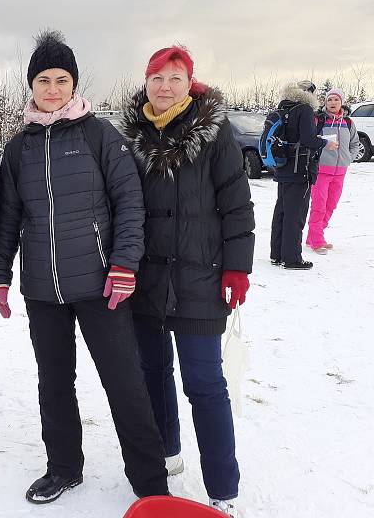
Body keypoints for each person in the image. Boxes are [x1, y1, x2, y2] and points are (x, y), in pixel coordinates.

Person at [0, 30, 169, 504]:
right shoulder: (19, 147)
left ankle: (150, 485)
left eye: (61, 79)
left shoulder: (99, 135)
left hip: (100, 285)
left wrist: (124, 263)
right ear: (31, 85)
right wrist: (1, 274)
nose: (52, 89)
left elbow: (130, 203)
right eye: (43, 80)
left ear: (74, 83)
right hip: (43, 289)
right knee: (54, 382)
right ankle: (64, 467)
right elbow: (9, 215)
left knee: (124, 383)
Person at [120, 45, 255, 517]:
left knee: (205, 385)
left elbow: (237, 204)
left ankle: (223, 488)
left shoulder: (215, 135)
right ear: (145, 81)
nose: (164, 87)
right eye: (157, 78)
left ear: (189, 83)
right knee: (152, 375)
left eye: (175, 78)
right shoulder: (130, 136)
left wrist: (238, 266)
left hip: (201, 279)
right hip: (146, 281)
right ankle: (167, 455)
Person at [269, 80, 338, 269]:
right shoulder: (305, 109)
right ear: (310, 94)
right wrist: (325, 143)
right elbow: (308, 139)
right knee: (296, 214)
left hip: (282, 167)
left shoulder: (283, 108)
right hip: (300, 169)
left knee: (281, 212)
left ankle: (277, 254)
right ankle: (292, 259)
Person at [306, 87, 360, 254]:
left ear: (341, 102)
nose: (333, 102)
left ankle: (314, 236)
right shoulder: (319, 120)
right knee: (319, 206)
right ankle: (317, 240)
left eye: (336, 99)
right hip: (321, 171)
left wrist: (347, 159)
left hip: (340, 172)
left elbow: (355, 144)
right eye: (329, 99)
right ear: (325, 102)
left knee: (331, 206)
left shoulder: (348, 123)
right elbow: (311, 140)